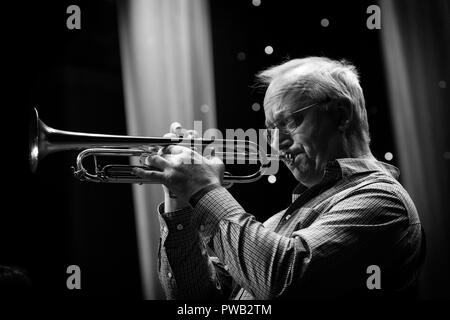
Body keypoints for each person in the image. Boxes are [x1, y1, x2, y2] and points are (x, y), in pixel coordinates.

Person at [134, 57, 425, 300]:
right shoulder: (277, 224)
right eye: (270, 129)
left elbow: (281, 281)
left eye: (289, 122)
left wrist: (204, 188)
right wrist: (179, 195)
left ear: (341, 115)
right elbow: (195, 300)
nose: (276, 143)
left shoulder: (382, 199)